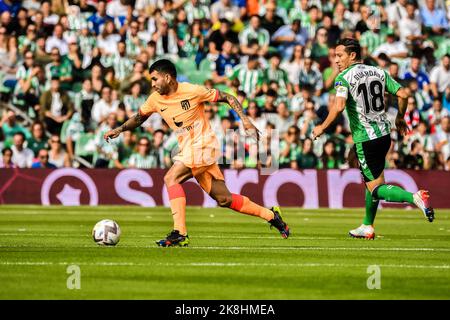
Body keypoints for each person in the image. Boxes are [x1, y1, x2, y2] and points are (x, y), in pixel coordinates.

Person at [104, 59, 289, 247]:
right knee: (224, 199)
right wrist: (119, 129)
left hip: (204, 145)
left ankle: (180, 233)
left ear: (167, 77)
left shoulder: (192, 91)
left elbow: (228, 97)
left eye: (155, 79)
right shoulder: (154, 99)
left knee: (171, 179)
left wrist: (245, 121)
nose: (152, 84)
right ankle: (272, 216)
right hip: (190, 149)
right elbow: (139, 118)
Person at [312, 38, 435, 239]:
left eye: (339, 55)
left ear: (352, 55)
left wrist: (322, 127)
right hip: (384, 135)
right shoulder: (378, 71)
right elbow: (403, 94)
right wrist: (400, 118)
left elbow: (340, 106)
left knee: (376, 188)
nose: (336, 60)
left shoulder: (343, 78)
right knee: (374, 181)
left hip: (365, 138)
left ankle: (415, 197)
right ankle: (367, 226)